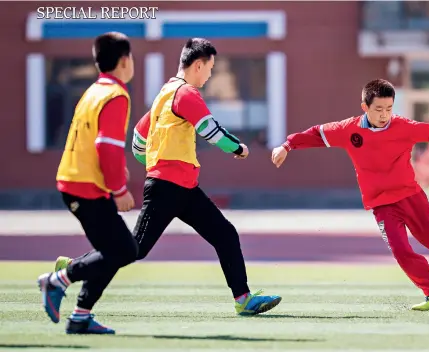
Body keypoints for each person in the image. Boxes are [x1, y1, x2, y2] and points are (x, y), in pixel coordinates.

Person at [56, 38, 282, 316]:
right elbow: (210, 130)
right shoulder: (187, 93)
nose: (210, 75)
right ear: (198, 65)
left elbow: (139, 140)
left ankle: (243, 298)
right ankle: (70, 270)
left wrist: (151, 161)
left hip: (183, 188)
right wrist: (239, 148)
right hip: (167, 188)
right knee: (133, 249)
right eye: (210, 68)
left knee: (225, 234)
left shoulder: (164, 94)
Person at [271, 78, 429, 311]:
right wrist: (287, 145)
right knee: (401, 251)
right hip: (381, 205)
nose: (384, 114)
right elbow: (317, 134)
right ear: (364, 107)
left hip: (411, 196)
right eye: (378, 109)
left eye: (389, 108)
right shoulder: (349, 129)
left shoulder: (404, 127)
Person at [38, 32, 138, 334]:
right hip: (86, 186)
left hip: (76, 181)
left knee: (110, 252)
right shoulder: (116, 95)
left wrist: (116, 175)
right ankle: (57, 280)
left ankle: (80, 316)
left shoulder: (94, 90)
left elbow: (93, 141)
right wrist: (119, 189)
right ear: (124, 60)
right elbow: (106, 146)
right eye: (131, 57)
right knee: (124, 251)